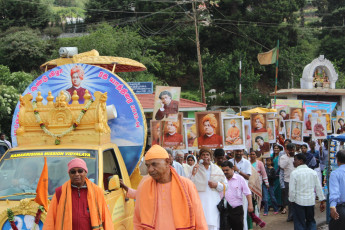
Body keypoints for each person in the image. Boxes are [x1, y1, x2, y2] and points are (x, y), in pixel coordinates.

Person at [129, 145, 207, 229]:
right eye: (148, 165)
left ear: (167, 161)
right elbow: (137, 220)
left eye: (154, 164)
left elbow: (199, 218)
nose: (150, 169)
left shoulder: (186, 185)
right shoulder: (144, 185)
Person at [44, 158, 113, 230]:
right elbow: (50, 220)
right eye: (73, 172)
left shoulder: (97, 191)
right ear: (69, 174)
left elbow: (106, 219)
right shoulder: (60, 192)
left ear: (85, 172)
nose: (77, 174)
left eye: (80, 171)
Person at [190, 147, 227, 230]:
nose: (205, 157)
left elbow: (226, 186)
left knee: (213, 223)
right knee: (201, 222)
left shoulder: (217, 169)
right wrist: (193, 173)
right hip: (200, 200)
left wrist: (216, 184)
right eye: (203, 155)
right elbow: (189, 184)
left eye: (207, 155)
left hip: (214, 201)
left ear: (211, 157)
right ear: (199, 157)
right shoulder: (195, 168)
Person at [289, 153, 326, 230]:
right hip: (310, 201)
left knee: (299, 222)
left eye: (295, 160)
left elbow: (292, 190)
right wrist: (322, 201)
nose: (293, 162)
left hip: (298, 202)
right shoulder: (313, 172)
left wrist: (291, 200)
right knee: (311, 221)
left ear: (300, 161)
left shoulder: (294, 173)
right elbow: (318, 187)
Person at [221, 161, 253, 230]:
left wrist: (250, 205)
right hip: (225, 210)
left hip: (237, 209)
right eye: (223, 170)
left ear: (232, 168)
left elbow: (247, 193)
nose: (225, 172)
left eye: (227, 170)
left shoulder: (240, 179)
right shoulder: (221, 179)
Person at [229, 149, 252, 230]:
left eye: (240, 151)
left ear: (242, 152)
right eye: (237, 151)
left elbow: (248, 177)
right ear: (233, 152)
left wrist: (238, 170)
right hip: (231, 191)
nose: (238, 153)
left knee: (243, 213)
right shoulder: (230, 161)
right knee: (231, 213)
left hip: (242, 191)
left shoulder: (247, 162)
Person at [279, 143, 296, 222]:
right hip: (288, 181)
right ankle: (290, 216)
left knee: (297, 199)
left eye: (293, 149)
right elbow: (282, 166)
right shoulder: (283, 157)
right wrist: (288, 158)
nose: (292, 151)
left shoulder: (297, 156)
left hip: (297, 180)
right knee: (290, 200)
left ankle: (296, 216)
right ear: (287, 150)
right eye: (290, 150)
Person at [329, 150, 345, 229]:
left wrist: (332, 207)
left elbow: (334, 192)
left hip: (341, 210)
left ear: (337, 160)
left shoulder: (335, 173)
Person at [279, 139, 292, 214]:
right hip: (283, 173)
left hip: (290, 173)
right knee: (284, 191)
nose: (286, 145)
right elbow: (280, 165)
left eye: (288, 143)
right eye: (285, 143)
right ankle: (284, 207)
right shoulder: (282, 153)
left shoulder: (294, 153)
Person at [271, 144, 283, 209]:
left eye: (277, 148)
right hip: (271, 175)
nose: (276, 149)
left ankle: (279, 204)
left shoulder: (281, 156)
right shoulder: (271, 156)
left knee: (279, 191)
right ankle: (273, 204)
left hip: (278, 175)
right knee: (273, 190)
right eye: (275, 148)